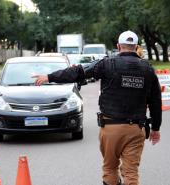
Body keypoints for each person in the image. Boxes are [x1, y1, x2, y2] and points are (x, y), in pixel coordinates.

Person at [32, 30, 162, 185]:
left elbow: (79, 72)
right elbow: (155, 101)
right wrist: (155, 128)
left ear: (118, 46)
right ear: (136, 47)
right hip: (136, 129)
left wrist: (49, 77)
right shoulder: (148, 69)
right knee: (131, 172)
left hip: (111, 128)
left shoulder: (107, 64)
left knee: (110, 168)